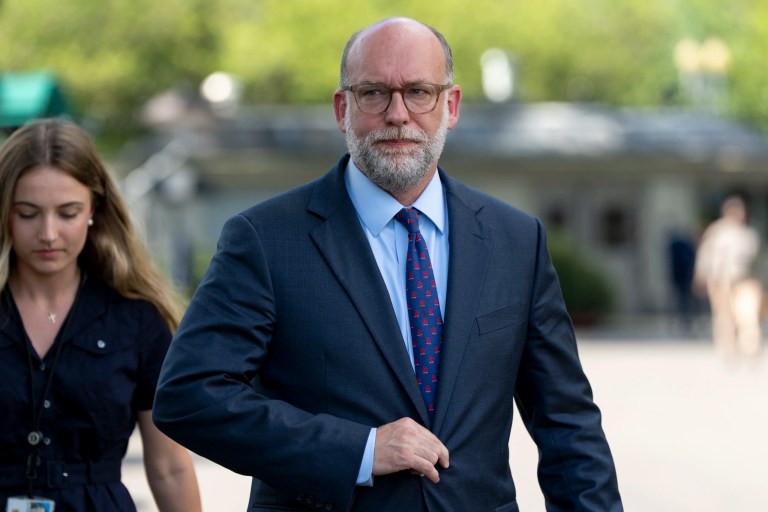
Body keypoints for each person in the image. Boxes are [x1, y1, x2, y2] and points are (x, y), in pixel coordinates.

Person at [153, 17, 622, 511]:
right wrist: (359, 450)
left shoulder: (515, 240)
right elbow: (190, 396)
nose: (398, 114)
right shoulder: (266, 239)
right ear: (343, 108)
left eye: (419, 92)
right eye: (374, 93)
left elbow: (568, 425)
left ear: (452, 106)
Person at [0, 119, 201, 511]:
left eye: (68, 213)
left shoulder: (139, 319)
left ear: (95, 210)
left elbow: (170, 467)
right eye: (27, 214)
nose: (48, 234)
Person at [694, 196, 763, 356]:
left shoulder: (748, 233)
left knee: (747, 314)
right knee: (724, 316)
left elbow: (755, 258)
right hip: (721, 281)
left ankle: (750, 346)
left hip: (746, 280)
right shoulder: (716, 233)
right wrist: (701, 274)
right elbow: (706, 255)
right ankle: (728, 346)